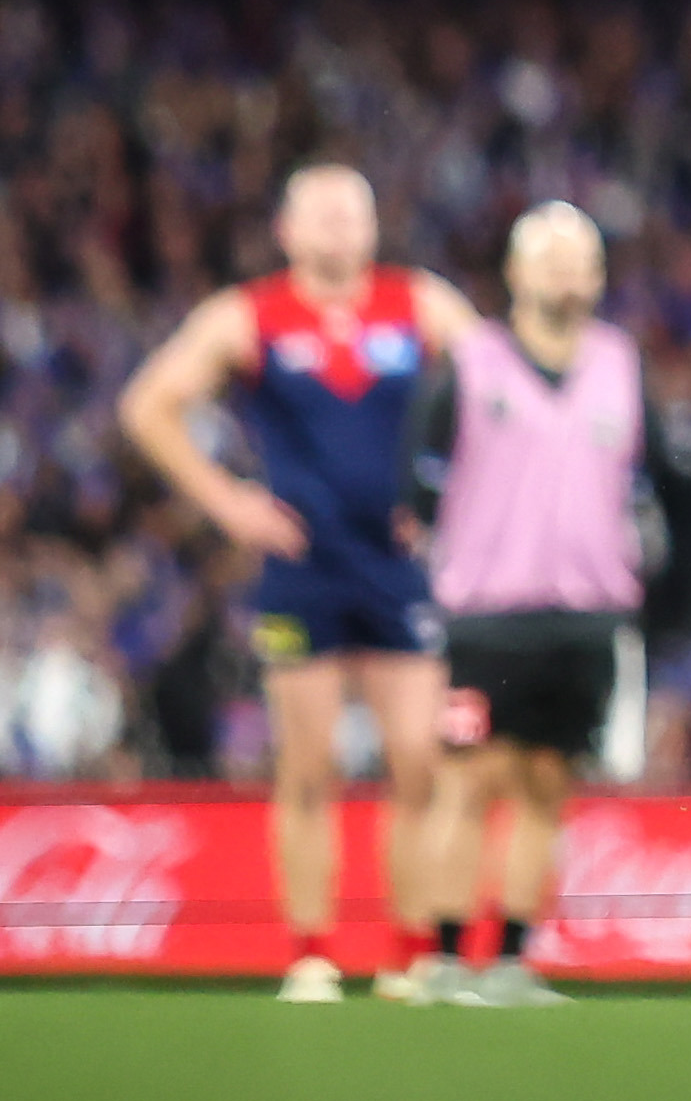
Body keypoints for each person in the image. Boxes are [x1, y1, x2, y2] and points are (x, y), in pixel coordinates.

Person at [119, 163, 481, 1005]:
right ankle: (311, 955)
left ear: (373, 224)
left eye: (351, 210)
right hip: (302, 567)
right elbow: (147, 405)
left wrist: (448, 494)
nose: (336, 225)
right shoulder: (249, 315)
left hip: (399, 565)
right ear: (285, 230)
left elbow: (499, 392)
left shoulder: (419, 302)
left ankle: (413, 955)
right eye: (318, 211)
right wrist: (226, 502)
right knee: (307, 769)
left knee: (419, 766)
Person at [416, 200, 647, 1010]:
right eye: (548, 256)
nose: (565, 271)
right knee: (470, 780)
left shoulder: (621, 362)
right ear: (513, 273)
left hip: (585, 613)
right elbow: (419, 482)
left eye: (580, 256)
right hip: (489, 611)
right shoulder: (472, 364)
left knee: (548, 783)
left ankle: (512, 960)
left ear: (599, 275)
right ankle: (444, 959)